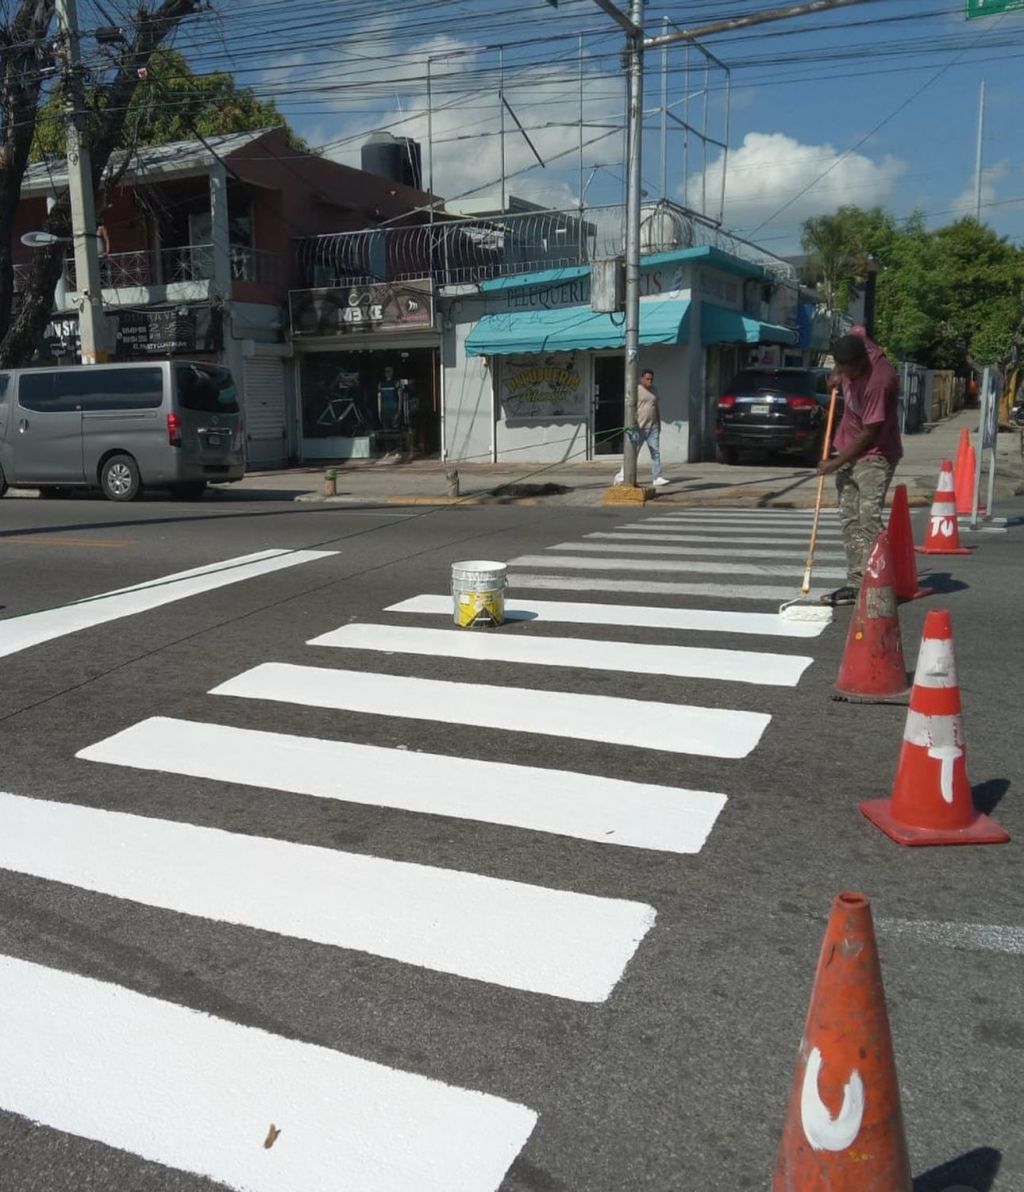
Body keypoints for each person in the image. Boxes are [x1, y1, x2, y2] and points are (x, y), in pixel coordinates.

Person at [818, 330, 902, 606]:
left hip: (875, 454)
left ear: (861, 362)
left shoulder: (879, 381)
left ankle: (879, 583)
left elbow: (870, 432)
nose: (846, 376)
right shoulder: (855, 345)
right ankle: (856, 583)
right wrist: (835, 374)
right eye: (841, 367)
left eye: (849, 371)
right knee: (849, 519)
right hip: (847, 447)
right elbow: (854, 331)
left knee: (869, 520)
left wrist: (834, 463)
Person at [615, 368, 669, 487]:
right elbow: (631, 407)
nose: (650, 381)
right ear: (642, 379)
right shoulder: (637, 390)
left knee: (655, 452)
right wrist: (632, 423)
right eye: (647, 379)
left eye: (651, 379)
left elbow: (656, 407)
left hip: (652, 427)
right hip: (639, 427)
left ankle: (657, 477)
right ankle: (621, 476)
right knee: (632, 453)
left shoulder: (654, 391)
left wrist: (658, 423)